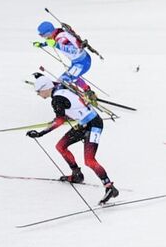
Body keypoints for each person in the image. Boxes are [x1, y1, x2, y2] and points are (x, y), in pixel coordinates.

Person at [27, 72, 117, 203]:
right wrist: (40, 77)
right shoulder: (58, 87)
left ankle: (110, 187)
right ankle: (77, 175)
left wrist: (41, 133)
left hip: (94, 124)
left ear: (46, 88)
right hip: (84, 123)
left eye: (39, 91)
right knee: (61, 146)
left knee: (89, 160)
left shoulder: (56, 100)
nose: (38, 94)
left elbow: (59, 121)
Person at [34, 21, 94, 98]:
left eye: (44, 35)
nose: (45, 38)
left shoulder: (61, 38)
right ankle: (87, 91)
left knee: (64, 80)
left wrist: (56, 45)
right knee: (72, 77)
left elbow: (74, 50)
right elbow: (51, 41)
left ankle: (74, 97)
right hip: (79, 61)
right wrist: (41, 44)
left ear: (49, 32)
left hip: (81, 63)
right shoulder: (57, 33)